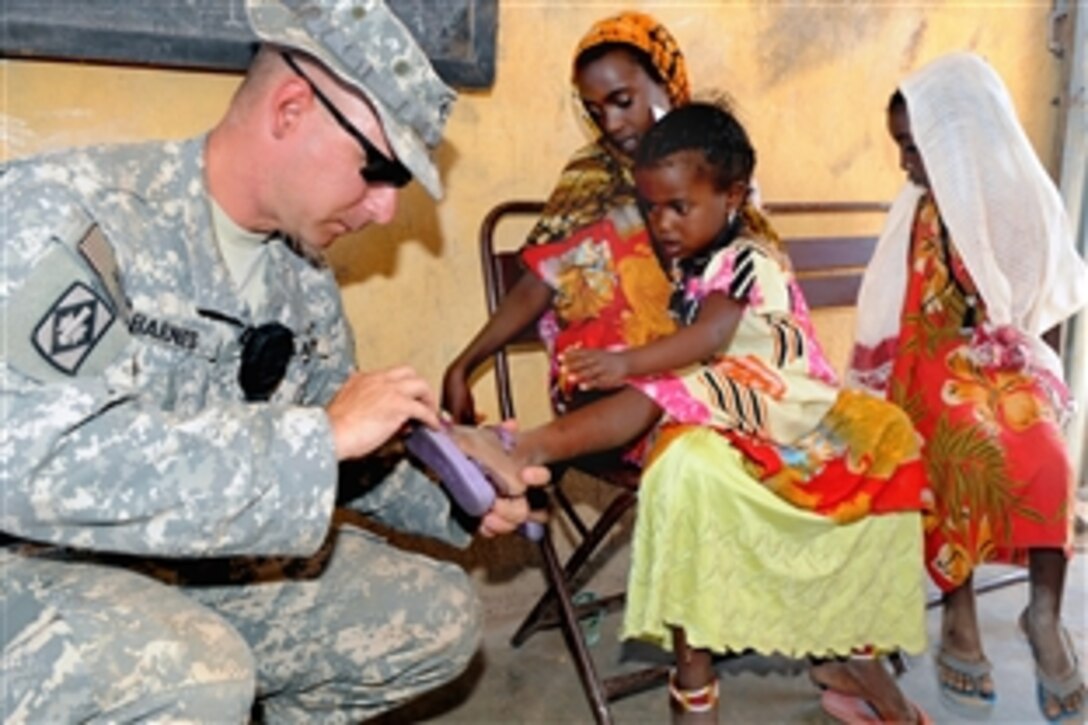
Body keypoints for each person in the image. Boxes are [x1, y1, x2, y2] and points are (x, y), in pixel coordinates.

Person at [0, 0, 548, 721]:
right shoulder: (74, 217)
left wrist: (458, 477)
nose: (386, 210)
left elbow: (343, 456)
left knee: (432, 615)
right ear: (290, 108)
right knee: (195, 674)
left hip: (191, 559)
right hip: (33, 562)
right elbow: (34, 460)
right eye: (378, 169)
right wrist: (317, 437)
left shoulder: (302, 280)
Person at [450, 101, 933, 724]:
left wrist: (630, 363)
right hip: (745, 403)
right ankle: (698, 679)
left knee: (669, 388)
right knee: (679, 424)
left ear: (731, 197)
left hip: (790, 404)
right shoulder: (695, 259)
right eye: (652, 207)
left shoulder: (748, 258)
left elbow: (711, 337)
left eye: (679, 207)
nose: (662, 222)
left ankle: (526, 448)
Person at [849, 52, 1087, 722]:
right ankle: (958, 608)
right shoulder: (921, 211)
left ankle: (1041, 615)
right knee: (954, 442)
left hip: (1001, 359)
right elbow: (904, 311)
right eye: (900, 146)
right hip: (926, 360)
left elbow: (1033, 297)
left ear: (958, 134)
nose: (905, 164)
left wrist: (1018, 357)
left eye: (912, 145)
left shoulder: (1016, 193)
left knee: (1049, 457)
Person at [442, 10, 689, 423]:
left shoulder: (714, 167)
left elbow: (752, 286)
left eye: (623, 102)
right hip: (605, 386)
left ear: (667, 82)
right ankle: (532, 453)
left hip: (698, 368)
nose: (611, 124)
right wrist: (462, 365)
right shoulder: (590, 176)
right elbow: (543, 278)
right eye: (595, 111)